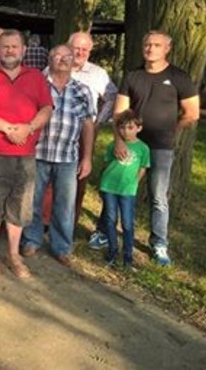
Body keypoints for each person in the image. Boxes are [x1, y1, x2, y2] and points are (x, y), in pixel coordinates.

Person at [112, 30, 199, 266]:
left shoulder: (179, 77)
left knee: (158, 197)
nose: (151, 49)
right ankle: (105, 231)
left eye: (157, 45)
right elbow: (119, 113)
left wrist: (172, 129)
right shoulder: (133, 76)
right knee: (118, 187)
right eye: (147, 44)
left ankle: (159, 243)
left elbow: (192, 113)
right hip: (132, 144)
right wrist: (119, 140)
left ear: (167, 49)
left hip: (161, 147)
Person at [0, 29, 52, 278]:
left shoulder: (36, 77)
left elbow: (46, 109)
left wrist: (29, 128)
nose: (10, 50)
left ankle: (14, 254)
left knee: (19, 205)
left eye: (15, 46)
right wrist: (7, 128)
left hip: (24, 154)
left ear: (24, 50)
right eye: (5, 46)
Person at [20, 44, 94, 266]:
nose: (62, 59)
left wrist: (87, 157)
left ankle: (61, 247)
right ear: (49, 59)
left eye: (67, 56)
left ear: (73, 60)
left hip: (68, 157)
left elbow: (87, 124)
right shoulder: (37, 85)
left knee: (65, 205)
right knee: (32, 200)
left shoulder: (82, 90)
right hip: (38, 153)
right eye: (57, 55)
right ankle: (31, 239)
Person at [64, 32, 118, 250]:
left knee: (79, 178)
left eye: (84, 49)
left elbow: (112, 98)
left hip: (83, 132)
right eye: (76, 48)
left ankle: (70, 225)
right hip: (55, 132)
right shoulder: (55, 66)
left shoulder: (98, 74)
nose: (80, 53)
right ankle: (47, 223)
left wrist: (98, 121)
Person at [100, 110, 150, 268]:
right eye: (122, 127)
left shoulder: (143, 148)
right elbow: (107, 163)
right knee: (110, 220)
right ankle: (112, 251)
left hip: (127, 191)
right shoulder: (113, 145)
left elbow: (143, 167)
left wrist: (134, 183)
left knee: (127, 224)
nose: (125, 131)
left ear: (139, 128)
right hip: (109, 187)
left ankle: (128, 256)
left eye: (130, 127)